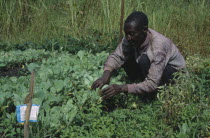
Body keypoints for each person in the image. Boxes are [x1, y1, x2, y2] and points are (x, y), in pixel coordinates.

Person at [91, 11, 186, 100]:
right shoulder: (132, 38)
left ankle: (153, 96)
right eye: (126, 34)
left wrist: (122, 88)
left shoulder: (159, 46)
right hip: (153, 70)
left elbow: (152, 83)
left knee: (144, 60)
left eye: (131, 34)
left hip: (175, 77)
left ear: (144, 30)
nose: (128, 38)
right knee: (126, 57)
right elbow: (117, 56)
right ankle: (139, 86)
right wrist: (105, 76)